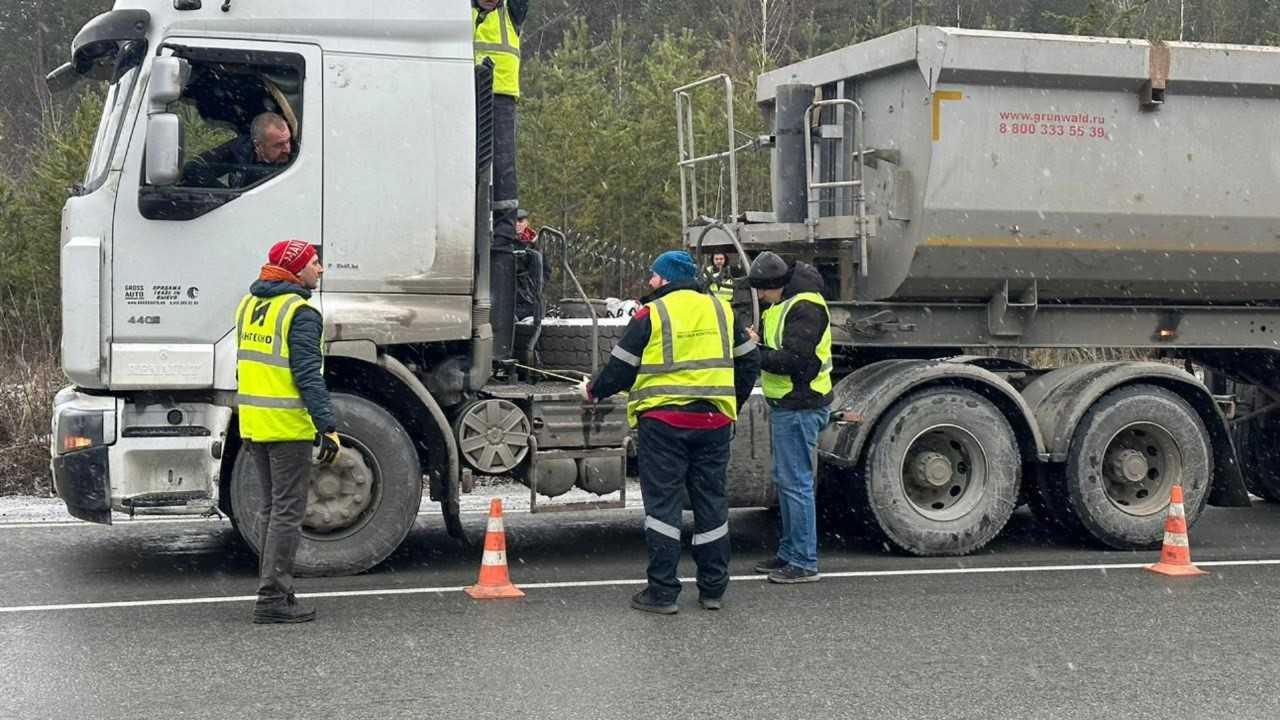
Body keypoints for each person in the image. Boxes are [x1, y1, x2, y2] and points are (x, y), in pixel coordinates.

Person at [579, 251, 760, 614]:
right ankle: (713, 590)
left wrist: (594, 391)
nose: (649, 282)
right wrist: (729, 406)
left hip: (664, 425)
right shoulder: (721, 310)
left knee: (663, 507)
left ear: (666, 279)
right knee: (711, 504)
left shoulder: (653, 313)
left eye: (653, 276)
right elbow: (749, 361)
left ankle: (662, 592)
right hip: (712, 423)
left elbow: (621, 367)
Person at [235, 239, 340, 624]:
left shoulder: (250, 304)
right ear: (295, 270)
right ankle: (273, 598)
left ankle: (275, 589)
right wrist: (326, 425)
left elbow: (243, 366)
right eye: (314, 263)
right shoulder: (300, 312)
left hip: (254, 422)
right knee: (287, 513)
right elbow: (308, 375)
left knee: (270, 510)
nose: (321, 269)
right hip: (286, 426)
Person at [746, 251, 833, 584]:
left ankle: (803, 561)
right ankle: (789, 552)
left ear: (776, 284)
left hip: (801, 404)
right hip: (789, 404)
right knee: (788, 482)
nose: (760, 296)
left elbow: (797, 361)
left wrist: (755, 353)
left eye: (762, 290)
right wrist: (761, 343)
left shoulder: (805, 306)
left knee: (795, 483)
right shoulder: (784, 304)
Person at [474, 0, 529, 357]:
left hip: (502, 93)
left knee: (503, 172)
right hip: (467, 88)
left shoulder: (512, 10)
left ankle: (505, 229)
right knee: (474, 169)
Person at [184, 112, 293, 188]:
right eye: (278, 145)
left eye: (288, 141)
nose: (287, 149)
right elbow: (194, 167)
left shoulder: (298, 156)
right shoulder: (241, 149)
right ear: (258, 145)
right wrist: (230, 196)